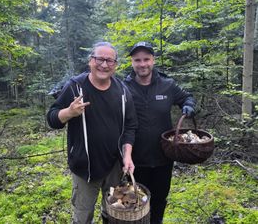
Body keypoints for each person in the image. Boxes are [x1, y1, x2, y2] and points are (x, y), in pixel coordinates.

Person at [47, 42, 138, 224]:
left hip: (114, 166)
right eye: (99, 59)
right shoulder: (75, 87)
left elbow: (130, 126)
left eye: (109, 61)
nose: (104, 65)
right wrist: (69, 112)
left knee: (113, 211)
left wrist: (127, 156)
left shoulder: (122, 92)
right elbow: (52, 119)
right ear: (91, 61)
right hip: (84, 168)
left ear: (116, 65)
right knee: (83, 216)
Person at [124, 41, 196, 224]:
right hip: (133, 158)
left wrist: (188, 105)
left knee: (159, 199)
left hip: (163, 156)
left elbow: (186, 97)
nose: (142, 64)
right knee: (136, 201)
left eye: (146, 59)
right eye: (137, 60)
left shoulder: (167, 85)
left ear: (153, 60)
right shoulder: (123, 86)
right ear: (132, 62)